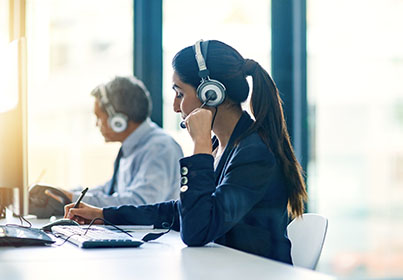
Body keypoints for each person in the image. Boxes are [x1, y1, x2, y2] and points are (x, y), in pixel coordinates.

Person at [64, 40, 308, 264]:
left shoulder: (253, 153)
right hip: (227, 269)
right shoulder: (221, 146)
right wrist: (104, 214)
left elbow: (197, 230)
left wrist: (200, 144)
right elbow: (179, 210)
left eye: (180, 93)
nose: (174, 106)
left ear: (210, 94)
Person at [34, 76, 183, 209]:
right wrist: (67, 194)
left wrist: (74, 199)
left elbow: (141, 204)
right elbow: (109, 190)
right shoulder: (132, 147)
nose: (97, 124)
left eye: (99, 117)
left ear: (118, 120)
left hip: (155, 238)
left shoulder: (160, 148)